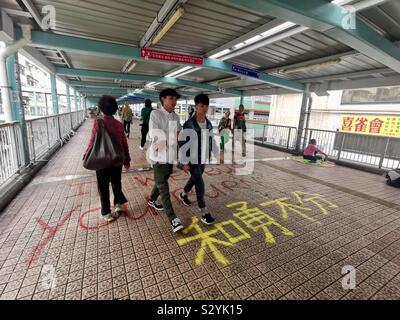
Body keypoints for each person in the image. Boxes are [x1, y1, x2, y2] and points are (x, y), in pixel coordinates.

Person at [84, 95, 131, 222]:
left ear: (101, 109)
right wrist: (127, 160)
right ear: (116, 109)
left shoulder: (98, 122)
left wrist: (86, 154)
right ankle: (117, 205)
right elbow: (124, 144)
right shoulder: (119, 125)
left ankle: (106, 212)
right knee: (116, 183)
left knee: (103, 186)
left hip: (102, 161)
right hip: (116, 160)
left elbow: (93, 141)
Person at [178, 94, 218, 225]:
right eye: (202, 106)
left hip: (202, 159)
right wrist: (184, 162)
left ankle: (183, 194)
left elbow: (210, 139)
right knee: (200, 184)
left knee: (194, 179)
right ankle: (204, 212)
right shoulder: (188, 124)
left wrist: (215, 152)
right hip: (192, 159)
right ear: (196, 106)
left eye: (206, 106)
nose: (204, 108)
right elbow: (183, 144)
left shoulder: (209, 124)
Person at [147, 88, 184, 233]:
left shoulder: (175, 117)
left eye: (175, 99)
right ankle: (173, 219)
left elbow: (178, 135)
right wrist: (171, 136)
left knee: (161, 180)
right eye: (171, 98)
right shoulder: (155, 114)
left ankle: (151, 199)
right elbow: (156, 137)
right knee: (164, 187)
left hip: (170, 156)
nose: (174, 102)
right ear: (163, 99)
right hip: (158, 157)